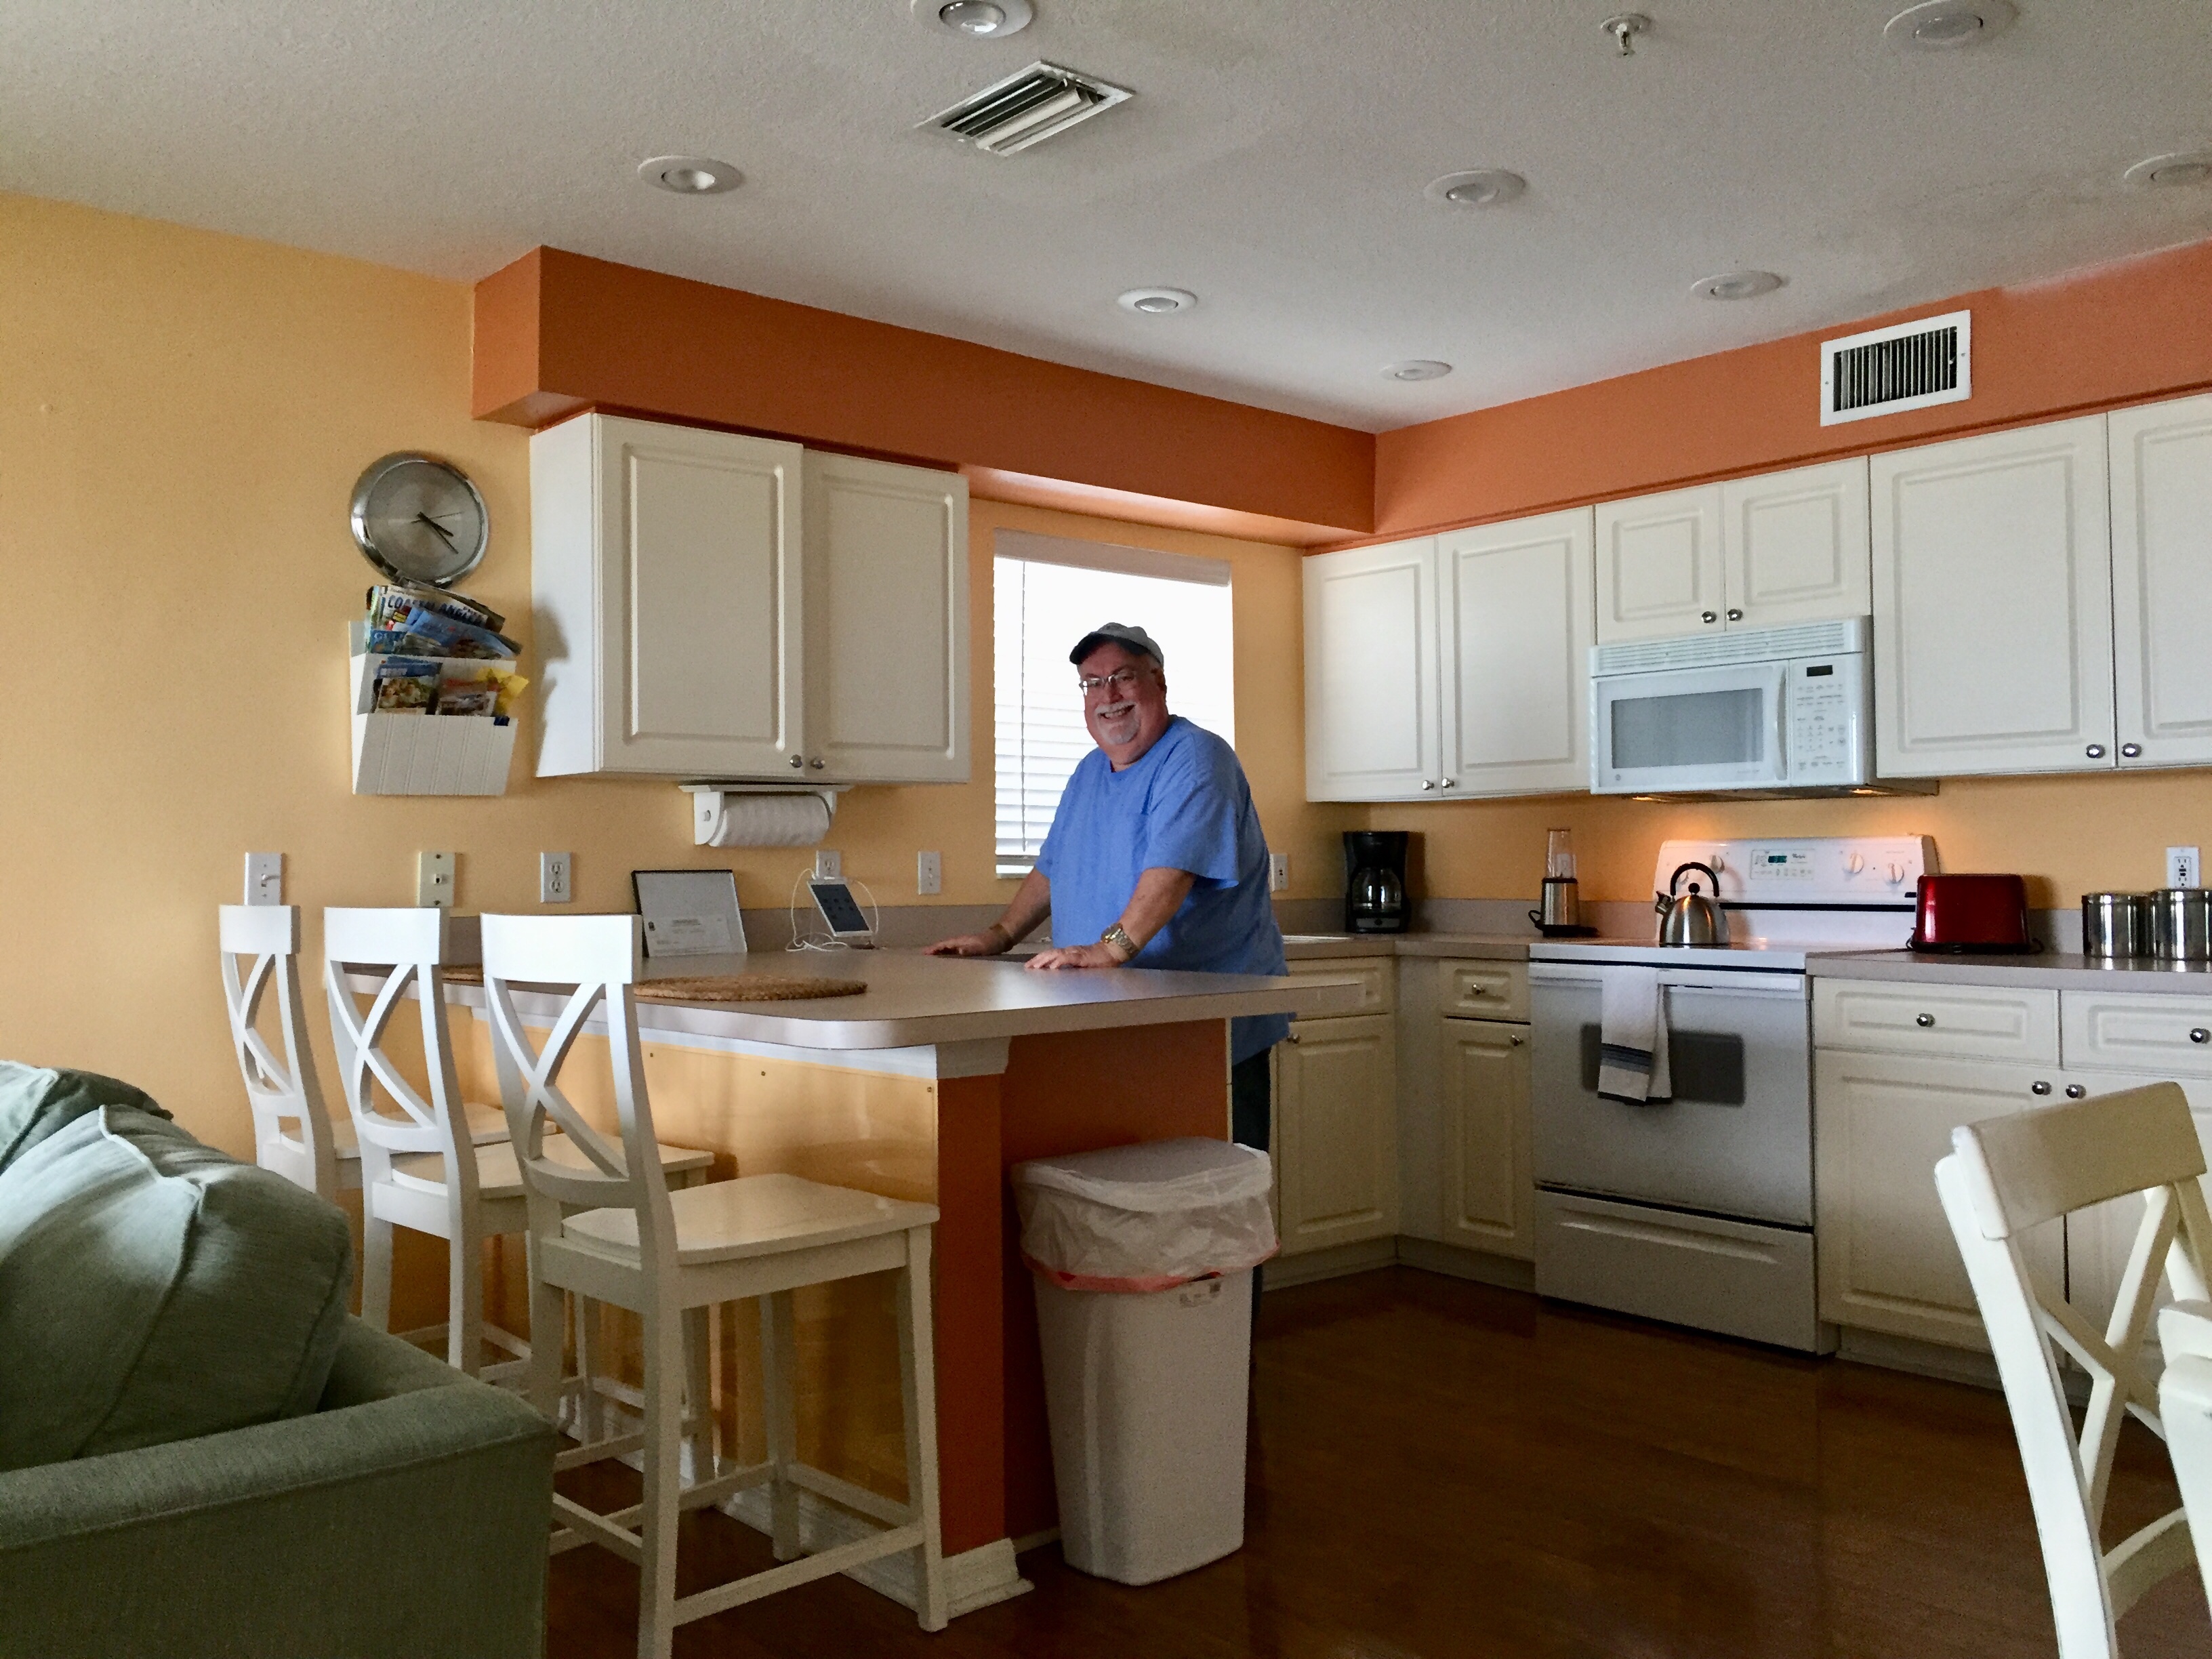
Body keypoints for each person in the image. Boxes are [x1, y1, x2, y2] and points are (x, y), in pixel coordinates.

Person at [927, 621, 1287, 1167]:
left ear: (1158, 682)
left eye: (1123, 677)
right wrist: (998, 936)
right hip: (1116, 1025)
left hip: (1204, 1029)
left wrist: (1110, 948)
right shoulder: (1089, 772)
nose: (1108, 695)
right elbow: (1053, 867)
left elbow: (1172, 871)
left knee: (1212, 1191)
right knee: (1127, 1190)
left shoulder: (1196, 758)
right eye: (1093, 683)